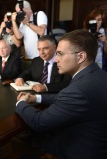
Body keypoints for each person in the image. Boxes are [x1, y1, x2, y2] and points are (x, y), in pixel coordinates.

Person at [16, 30, 107, 159]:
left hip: (78, 150)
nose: (56, 59)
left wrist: (21, 103)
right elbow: (67, 98)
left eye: (60, 54)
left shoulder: (78, 90)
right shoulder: (98, 75)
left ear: (81, 56)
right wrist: (36, 97)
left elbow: (39, 122)